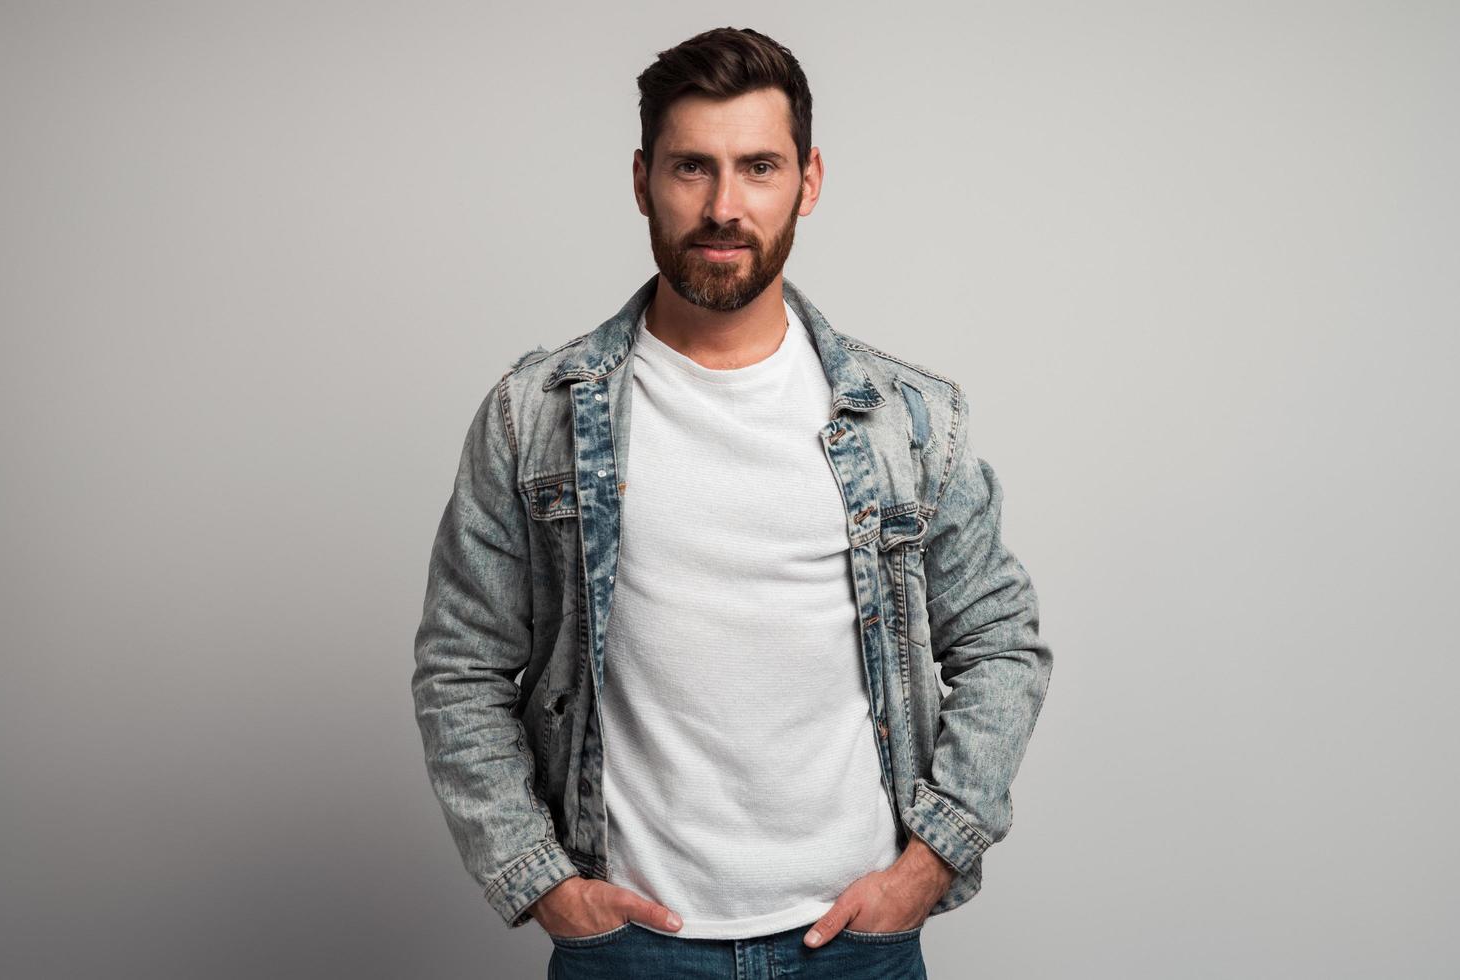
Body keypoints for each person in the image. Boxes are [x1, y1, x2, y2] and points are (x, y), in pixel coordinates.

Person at [411, 26, 1053, 979]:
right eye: (690, 168)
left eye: (758, 167)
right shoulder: (534, 417)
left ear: (809, 179)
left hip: (854, 945)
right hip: (631, 948)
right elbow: (461, 666)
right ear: (642, 181)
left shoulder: (910, 422)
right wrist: (541, 881)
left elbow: (1003, 641)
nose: (723, 206)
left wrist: (929, 864)